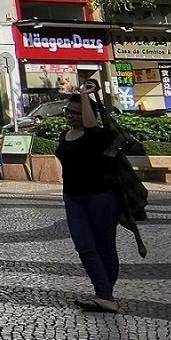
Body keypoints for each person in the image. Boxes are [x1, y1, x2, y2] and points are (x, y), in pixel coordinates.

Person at [60, 82, 124, 313]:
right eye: (68, 111)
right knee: (84, 246)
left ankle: (105, 295)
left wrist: (86, 96)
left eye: (75, 113)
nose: (70, 116)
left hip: (100, 196)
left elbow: (90, 126)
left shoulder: (95, 136)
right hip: (73, 198)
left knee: (104, 246)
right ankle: (105, 295)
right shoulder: (64, 134)